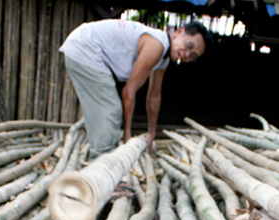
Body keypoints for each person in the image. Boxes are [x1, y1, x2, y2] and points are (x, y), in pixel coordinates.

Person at [59, 18, 209, 158]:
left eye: (193, 56)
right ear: (179, 31)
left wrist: (151, 132)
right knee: (110, 109)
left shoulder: (162, 58)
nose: (187, 54)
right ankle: (100, 165)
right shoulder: (157, 44)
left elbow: (154, 96)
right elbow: (128, 91)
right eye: (189, 45)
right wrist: (127, 135)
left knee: (105, 110)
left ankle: (101, 160)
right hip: (85, 47)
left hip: (85, 47)